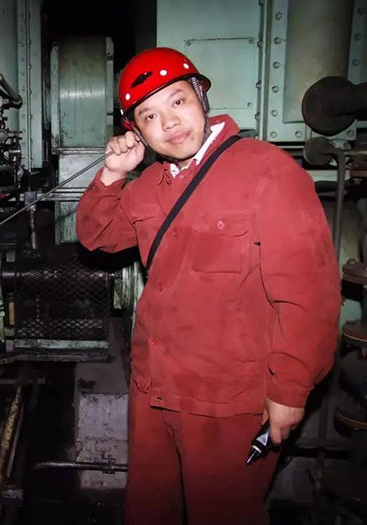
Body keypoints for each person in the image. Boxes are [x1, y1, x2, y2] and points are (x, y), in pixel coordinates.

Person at [75, 47, 341, 525]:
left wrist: (290, 390)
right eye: (150, 115)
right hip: (153, 388)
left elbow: (308, 296)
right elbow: (97, 236)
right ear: (138, 131)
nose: (169, 123)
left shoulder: (269, 172)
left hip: (226, 402)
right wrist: (113, 174)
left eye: (177, 101)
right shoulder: (150, 184)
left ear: (200, 96)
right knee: (149, 512)